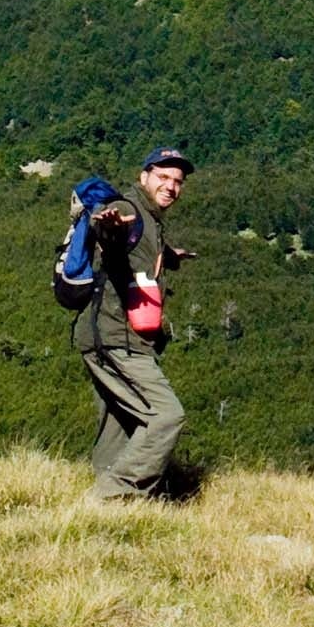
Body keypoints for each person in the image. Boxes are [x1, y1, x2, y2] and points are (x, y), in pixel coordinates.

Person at [56, 146, 194, 501]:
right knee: (166, 415)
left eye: (177, 181)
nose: (171, 186)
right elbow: (112, 235)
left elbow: (134, 260)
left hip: (112, 336)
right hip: (117, 339)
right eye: (163, 177)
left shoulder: (152, 220)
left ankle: (104, 519)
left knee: (118, 426)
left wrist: (169, 258)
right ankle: (110, 496)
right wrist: (109, 228)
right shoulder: (129, 210)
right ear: (143, 176)